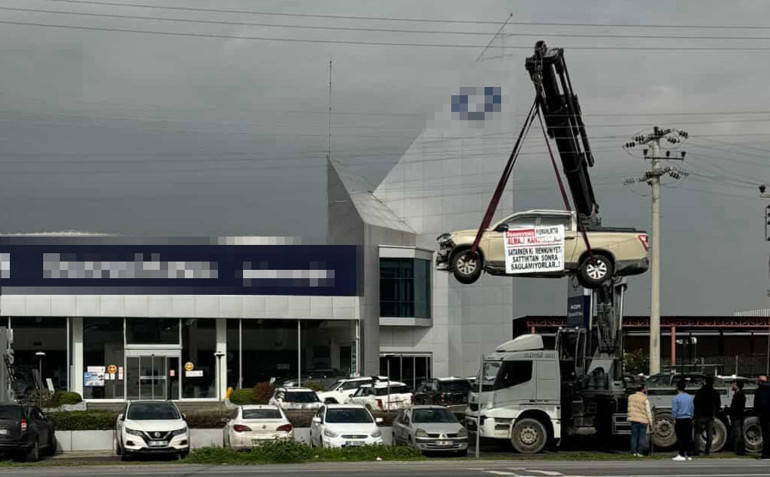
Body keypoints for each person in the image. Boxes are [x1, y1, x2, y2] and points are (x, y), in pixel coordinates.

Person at [693, 376, 722, 455]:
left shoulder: (700, 392)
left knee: (697, 433)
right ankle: (707, 451)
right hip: (710, 415)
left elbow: (695, 402)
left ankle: (696, 451)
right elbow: (718, 404)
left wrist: (695, 414)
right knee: (709, 433)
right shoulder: (715, 393)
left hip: (700, 415)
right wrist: (715, 413)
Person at [627, 384, 654, 457]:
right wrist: (650, 422)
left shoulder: (630, 397)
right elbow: (648, 411)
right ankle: (640, 452)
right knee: (642, 437)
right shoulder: (645, 398)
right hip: (643, 420)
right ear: (643, 390)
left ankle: (633, 452)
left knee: (634, 436)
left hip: (634, 419)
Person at [672, 379, 694, 461]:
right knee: (688, 437)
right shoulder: (689, 397)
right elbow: (692, 408)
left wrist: (674, 418)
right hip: (688, 419)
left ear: (677, 388)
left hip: (679, 419)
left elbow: (674, 410)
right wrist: (691, 416)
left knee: (680, 437)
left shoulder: (675, 398)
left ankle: (681, 454)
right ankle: (689, 454)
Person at [755, 375, 770, 458]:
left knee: (765, 434)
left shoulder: (759, 391)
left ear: (760, 381)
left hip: (764, 415)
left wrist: (757, 413)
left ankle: (765, 453)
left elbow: (757, 404)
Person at [730, 380, 746, 456]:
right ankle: (739, 450)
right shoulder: (739, 394)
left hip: (737, 417)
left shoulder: (739, 395)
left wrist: (730, 410)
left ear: (737, 386)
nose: (732, 385)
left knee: (738, 434)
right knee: (738, 434)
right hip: (738, 417)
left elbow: (736, 407)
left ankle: (739, 451)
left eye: (734, 384)